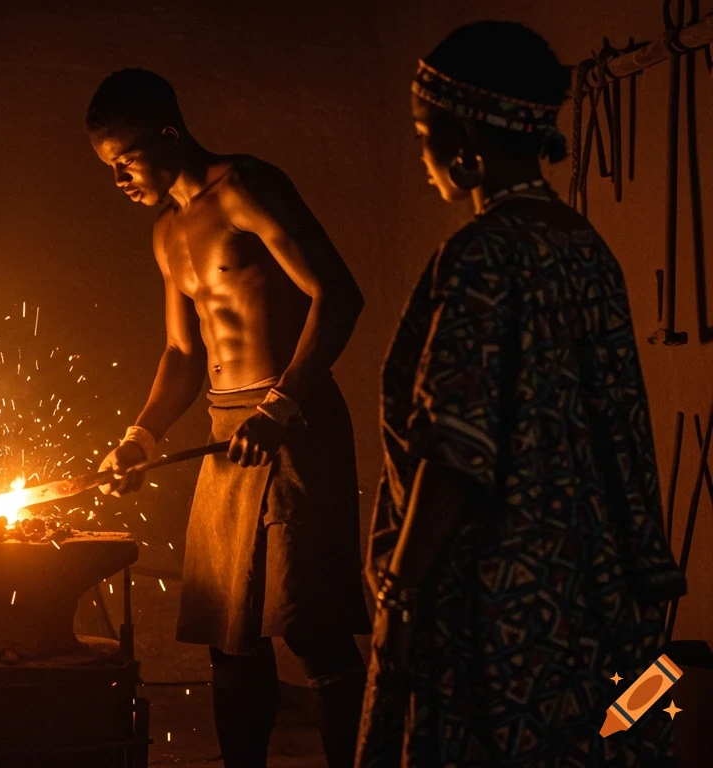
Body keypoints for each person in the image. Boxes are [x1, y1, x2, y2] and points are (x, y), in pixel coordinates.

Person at [358, 21, 687, 767]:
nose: (422, 158)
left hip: (500, 607)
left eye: (423, 135)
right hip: (597, 596)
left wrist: (400, 595)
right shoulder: (585, 249)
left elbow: (454, 450)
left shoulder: (481, 258)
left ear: (468, 143)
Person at [88, 69, 370, 768]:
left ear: (168, 133)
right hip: (226, 436)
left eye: (126, 160)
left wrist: (281, 405)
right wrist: (139, 435)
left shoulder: (246, 187)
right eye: (109, 169)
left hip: (294, 426)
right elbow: (184, 353)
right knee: (230, 634)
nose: (119, 179)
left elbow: (338, 295)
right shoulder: (166, 233)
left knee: (314, 630)